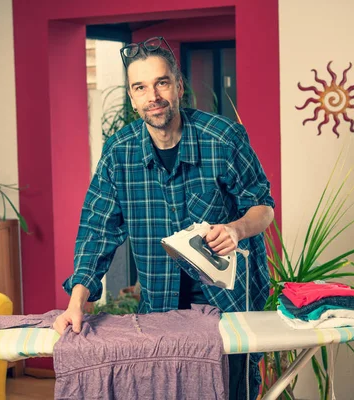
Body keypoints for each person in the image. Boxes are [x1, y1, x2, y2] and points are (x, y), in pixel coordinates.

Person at [53, 36, 275, 400]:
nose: (152, 95)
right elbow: (97, 230)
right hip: (161, 306)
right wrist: (77, 303)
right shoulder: (119, 154)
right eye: (140, 87)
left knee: (233, 392)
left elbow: (263, 207)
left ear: (179, 86)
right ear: (132, 96)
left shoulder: (223, 139)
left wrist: (236, 229)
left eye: (161, 82)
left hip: (229, 304)